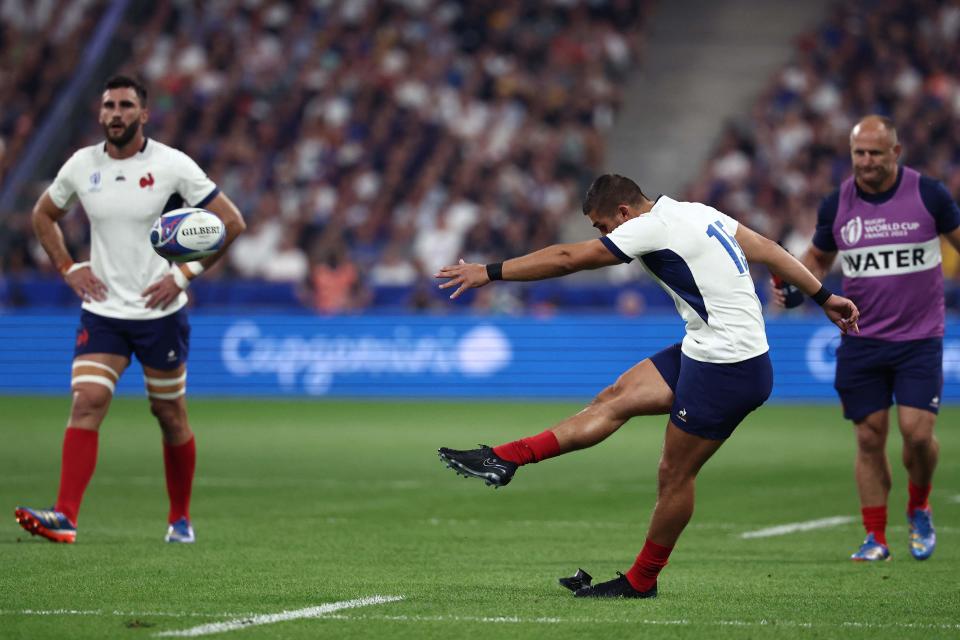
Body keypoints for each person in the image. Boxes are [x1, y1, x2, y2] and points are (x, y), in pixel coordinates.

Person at [435, 174, 860, 598]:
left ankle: (641, 581)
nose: (605, 236)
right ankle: (505, 458)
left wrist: (489, 272)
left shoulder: (649, 225)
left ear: (623, 212)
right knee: (614, 399)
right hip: (707, 347)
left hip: (728, 365)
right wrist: (825, 297)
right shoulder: (695, 211)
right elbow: (769, 250)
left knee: (674, 474)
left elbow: (568, 258)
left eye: (603, 227)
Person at [14, 75, 246, 544]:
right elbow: (43, 214)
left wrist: (181, 276)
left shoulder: (172, 165)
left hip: (160, 314)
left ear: (144, 114)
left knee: (169, 414)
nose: (115, 114)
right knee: (87, 402)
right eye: (108, 106)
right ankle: (65, 517)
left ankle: (180, 518)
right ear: (100, 114)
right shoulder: (82, 165)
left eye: (125, 106)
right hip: (103, 312)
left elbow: (232, 222)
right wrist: (67, 266)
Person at [773, 115, 960, 562]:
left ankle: (919, 504)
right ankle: (876, 537)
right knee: (868, 438)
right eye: (860, 153)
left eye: (876, 153)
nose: (867, 161)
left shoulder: (929, 194)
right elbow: (817, 257)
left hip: (919, 338)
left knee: (917, 435)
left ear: (895, 153)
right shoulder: (837, 204)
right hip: (860, 338)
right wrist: (794, 280)